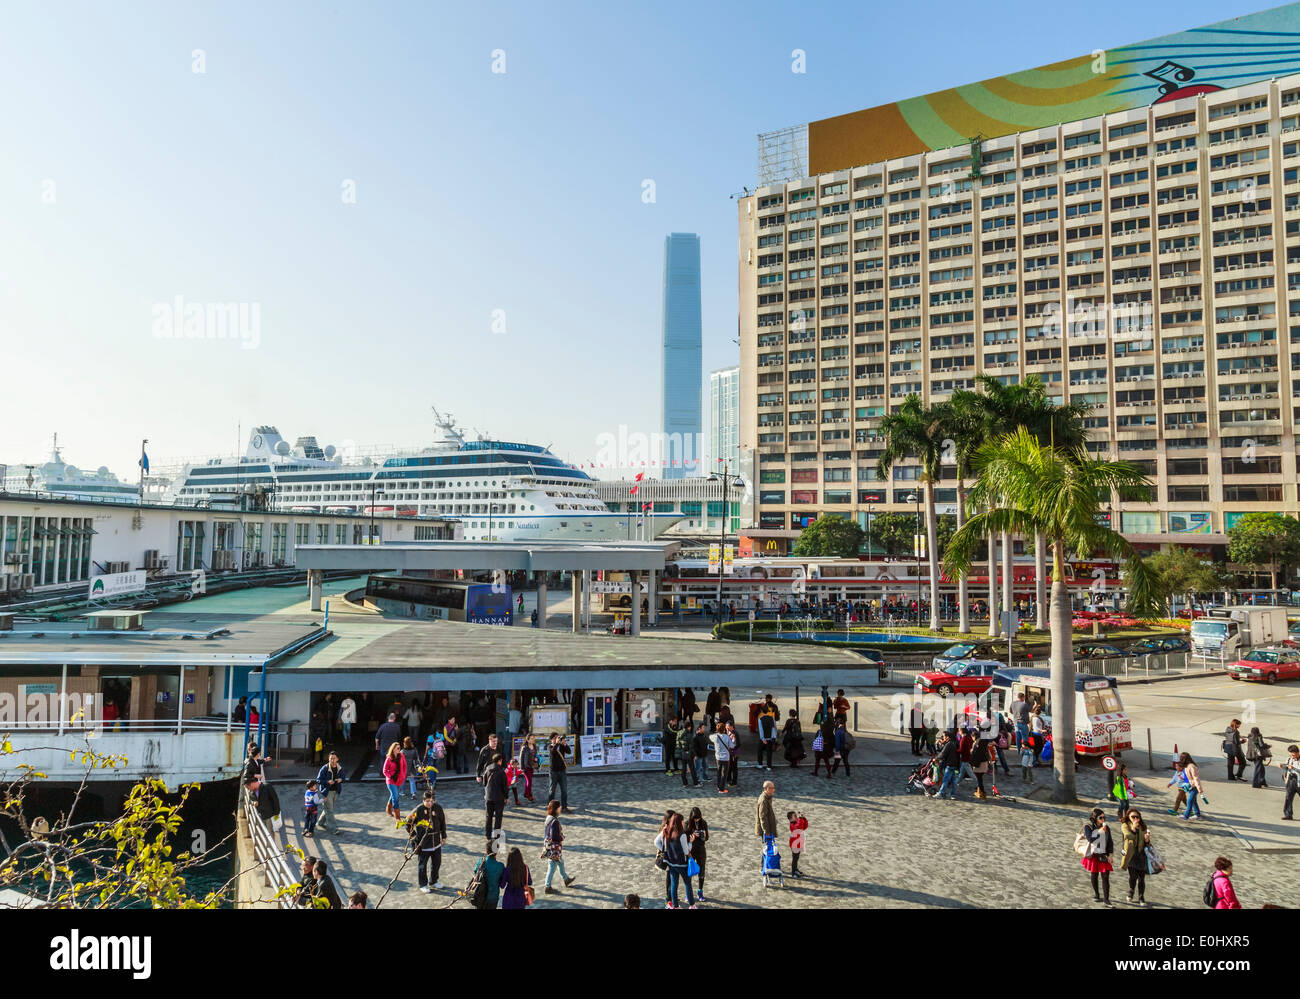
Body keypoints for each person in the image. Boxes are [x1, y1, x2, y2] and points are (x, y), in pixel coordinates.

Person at [406, 789, 448, 892]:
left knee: (436, 863)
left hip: (436, 841)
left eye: (431, 801)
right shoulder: (418, 810)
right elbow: (408, 823)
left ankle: (433, 881)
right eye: (427, 801)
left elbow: (442, 822)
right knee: (422, 865)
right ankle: (423, 884)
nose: (430, 803)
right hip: (424, 843)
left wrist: (444, 836)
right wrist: (415, 836)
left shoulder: (438, 808)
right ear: (423, 800)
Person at [655, 811, 696, 909]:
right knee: (688, 884)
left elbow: (656, 842)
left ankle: (676, 906)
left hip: (671, 863)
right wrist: (690, 842)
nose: (683, 822)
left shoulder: (666, 831)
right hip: (682, 864)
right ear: (679, 822)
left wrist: (665, 850)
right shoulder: (682, 835)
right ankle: (692, 905)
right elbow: (686, 851)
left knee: (674, 885)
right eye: (682, 821)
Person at [1080, 808, 1114, 905]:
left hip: (1104, 855)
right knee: (1094, 875)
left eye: (1104, 817)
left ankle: (1107, 899)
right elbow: (1091, 839)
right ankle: (1096, 894)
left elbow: (1110, 842)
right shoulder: (1089, 827)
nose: (1103, 820)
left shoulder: (1107, 828)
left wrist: (1111, 855)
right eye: (1101, 817)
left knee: (1105, 877)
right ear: (1095, 818)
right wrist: (1100, 832)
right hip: (1094, 855)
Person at [1119, 808, 1151, 906]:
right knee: (1133, 876)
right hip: (1130, 854)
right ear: (1129, 817)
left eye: (1137, 817)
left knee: (1141, 878)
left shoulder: (1143, 827)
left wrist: (1147, 840)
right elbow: (1128, 836)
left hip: (1141, 854)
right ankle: (1131, 890)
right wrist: (1133, 828)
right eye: (1133, 817)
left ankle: (1141, 897)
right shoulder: (1125, 825)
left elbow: (1147, 844)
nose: (1136, 819)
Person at [542, 800, 575, 893]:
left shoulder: (548, 819)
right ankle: (547, 887)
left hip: (548, 847)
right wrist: (561, 837)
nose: (560, 808)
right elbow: (555, 837)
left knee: (561, 862)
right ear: (556, 809)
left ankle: (566, 879)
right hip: (554, 849)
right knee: (552, 867)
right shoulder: (555, 821)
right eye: (559, 807)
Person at [483, 752, 508, 852]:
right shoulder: (501, 771)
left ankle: (488, 835)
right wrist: (506, 796)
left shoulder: (488, 768)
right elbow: (504, 786)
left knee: (488, 816)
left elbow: (484, 782)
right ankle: (496, 836)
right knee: (498, 817)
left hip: (488, 797)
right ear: (500, 761)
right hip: (498, 798)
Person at [685, 806, 709, 901]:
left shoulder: (703, 823)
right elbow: (684, 838)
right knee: (689, 871)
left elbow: (706, 838)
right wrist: (692, 835)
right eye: (695, 818)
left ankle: (700, 891)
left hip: (701, 850)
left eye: (698, 818)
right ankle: (689, 893)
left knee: (702, 870)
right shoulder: (687, 824)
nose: (697, 820)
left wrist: (705, 835)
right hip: (691, 850)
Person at [382, 742, 407, 821]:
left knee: (393, 795)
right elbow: (384, 771)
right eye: (398, 748)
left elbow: (404, 766)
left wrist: (403, 775)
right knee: (396, 798)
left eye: (400, 748)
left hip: (399, 780)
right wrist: (391, 776)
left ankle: (388, 810)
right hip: (391, 781)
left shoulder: (401, 756)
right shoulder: (389, 758)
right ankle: (397, 817)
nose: (399, 750)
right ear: (393, 749)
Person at [547, 734, 572, 812]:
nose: (557, 739)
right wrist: (557, 743)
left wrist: (565, 744)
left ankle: (564, 807)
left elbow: (569, 751)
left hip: (562, 771)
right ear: (551, 739)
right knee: (552, 790)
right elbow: (553, 752)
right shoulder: (550, 747)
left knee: (564, 790)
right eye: (555, 738)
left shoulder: (561, 746)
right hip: (553, 772)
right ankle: (551, 807)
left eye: (558, 738)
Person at [1179, 752, 1204, 821]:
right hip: (1190, 786)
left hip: (1194, 787)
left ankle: (1186, 816)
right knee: (1193, 801)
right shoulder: (1186, 766)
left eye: (1181, 758)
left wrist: (1200, 790)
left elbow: (1196, 778)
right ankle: (1197, 815)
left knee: (1190, 801)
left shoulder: (1191, 766)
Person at [935, 732, 961, 799]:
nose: (943, 738)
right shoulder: (952, 743)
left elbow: (942, 754)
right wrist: (938, 744)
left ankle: (941, 793)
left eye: (943, 736)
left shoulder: (949, 744)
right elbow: (941, 751)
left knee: (945, 780)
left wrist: (936, 759)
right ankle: (953, 794)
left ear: (948, 737)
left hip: (950, 764)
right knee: (954, 781)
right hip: (954, 764)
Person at [712, 722, 734, 794]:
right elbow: (732, 746)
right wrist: (732, 739)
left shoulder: (715, 736)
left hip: (718, 757)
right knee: (724, 773)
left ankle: (719, 786)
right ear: (724, 729)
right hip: (725, 757)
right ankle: (721, 789)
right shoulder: (727, 737)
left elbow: (710, 737)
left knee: (719, 772)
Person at [1281, 744, 1300, 820]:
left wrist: (1294, 768)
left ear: (1297, 752)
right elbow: (1287, 767)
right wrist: (1283, 766)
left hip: (1298, 780)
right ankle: (1288, 814)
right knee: (1288, 797)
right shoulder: (1289, 759)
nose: (1292, 755)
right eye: (1291, 753)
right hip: (1291, 780)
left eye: (1294, 754)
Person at [787, 809, 808, 878]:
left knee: (797, 857)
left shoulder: (798, 822)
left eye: (796, 816)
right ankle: (793, 872)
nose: (796, 817)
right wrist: (801, 818)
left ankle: (796, 869)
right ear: (790, 819)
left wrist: (804, 818)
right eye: (795, 816)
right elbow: (798, 827)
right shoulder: (792, 825)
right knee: (795, 859)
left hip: (799, 843)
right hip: (794, 845)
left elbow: (804, 827)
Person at [677, 720, 697, 787]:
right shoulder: (689, 734)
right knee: (692, 769)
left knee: (683, 769)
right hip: (689, 753)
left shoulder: (679, 733)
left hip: (682, 753)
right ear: (688, 727)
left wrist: (681, 751)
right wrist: (694, 754)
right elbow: (692, 746)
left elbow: (677, 744)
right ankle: (695, 783)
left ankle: (685, 783)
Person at [519, 733, 537, 802]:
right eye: (531, 739)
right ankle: (529, 795)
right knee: (529, 781)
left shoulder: (534, 746)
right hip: (526, 767)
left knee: (529, 781)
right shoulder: (525, 747)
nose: (533, 740)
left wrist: (536, 758)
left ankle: (526, 794)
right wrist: (522, 768)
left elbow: (535, 754)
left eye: (533, 739)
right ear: (528, 739)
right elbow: (521, 758)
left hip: (532, 766)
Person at [725, 720, 740, 786]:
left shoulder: (734, 733)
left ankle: (734, 781)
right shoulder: (728, 732)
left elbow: (737, 744)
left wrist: (732, 749)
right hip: (729, 753)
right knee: (730, 766)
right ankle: (728, 778)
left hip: (734, 753)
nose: (726, 728)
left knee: (734, 767)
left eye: (728, 726)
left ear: (731, 726)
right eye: (726, 726)